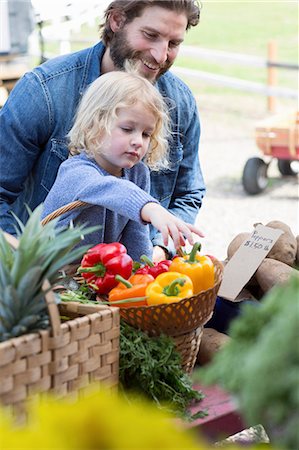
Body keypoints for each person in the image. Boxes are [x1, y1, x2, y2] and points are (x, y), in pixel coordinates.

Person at [0, 0, 205, 261]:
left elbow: (188, 193)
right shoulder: (43, 91)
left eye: (174, 44)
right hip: (46, 275)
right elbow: (103, 188)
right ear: (117, 21)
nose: (160, 56)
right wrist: (23, 264)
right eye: (151, 35)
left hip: (113, 278)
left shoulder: (180, 101)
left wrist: (156, 254)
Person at [41, 69, 203, 261]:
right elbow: (108, 189)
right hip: (53, 275)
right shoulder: (75, 171)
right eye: (127, 129)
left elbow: (136, 237)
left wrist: (142, 272)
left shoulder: (138, 173)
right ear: (94, 125)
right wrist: (152, 208)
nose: (138, 141)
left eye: (146, 134)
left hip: (96, 277)